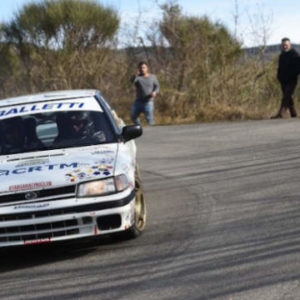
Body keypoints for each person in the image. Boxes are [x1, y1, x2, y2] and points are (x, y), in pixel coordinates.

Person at [272, 38, 300, 118]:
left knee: (286, 96)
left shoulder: (294, 54)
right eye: (283, 45)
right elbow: (279, 68)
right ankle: (294, 114)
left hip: (292, 80)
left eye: (286, 45)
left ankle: (281, 113)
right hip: (283, 81)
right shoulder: (282, 55)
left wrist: (293, 74)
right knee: (288, 96)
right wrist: (279, 76)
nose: (285, 46)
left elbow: (298, 67)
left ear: (289, 45)